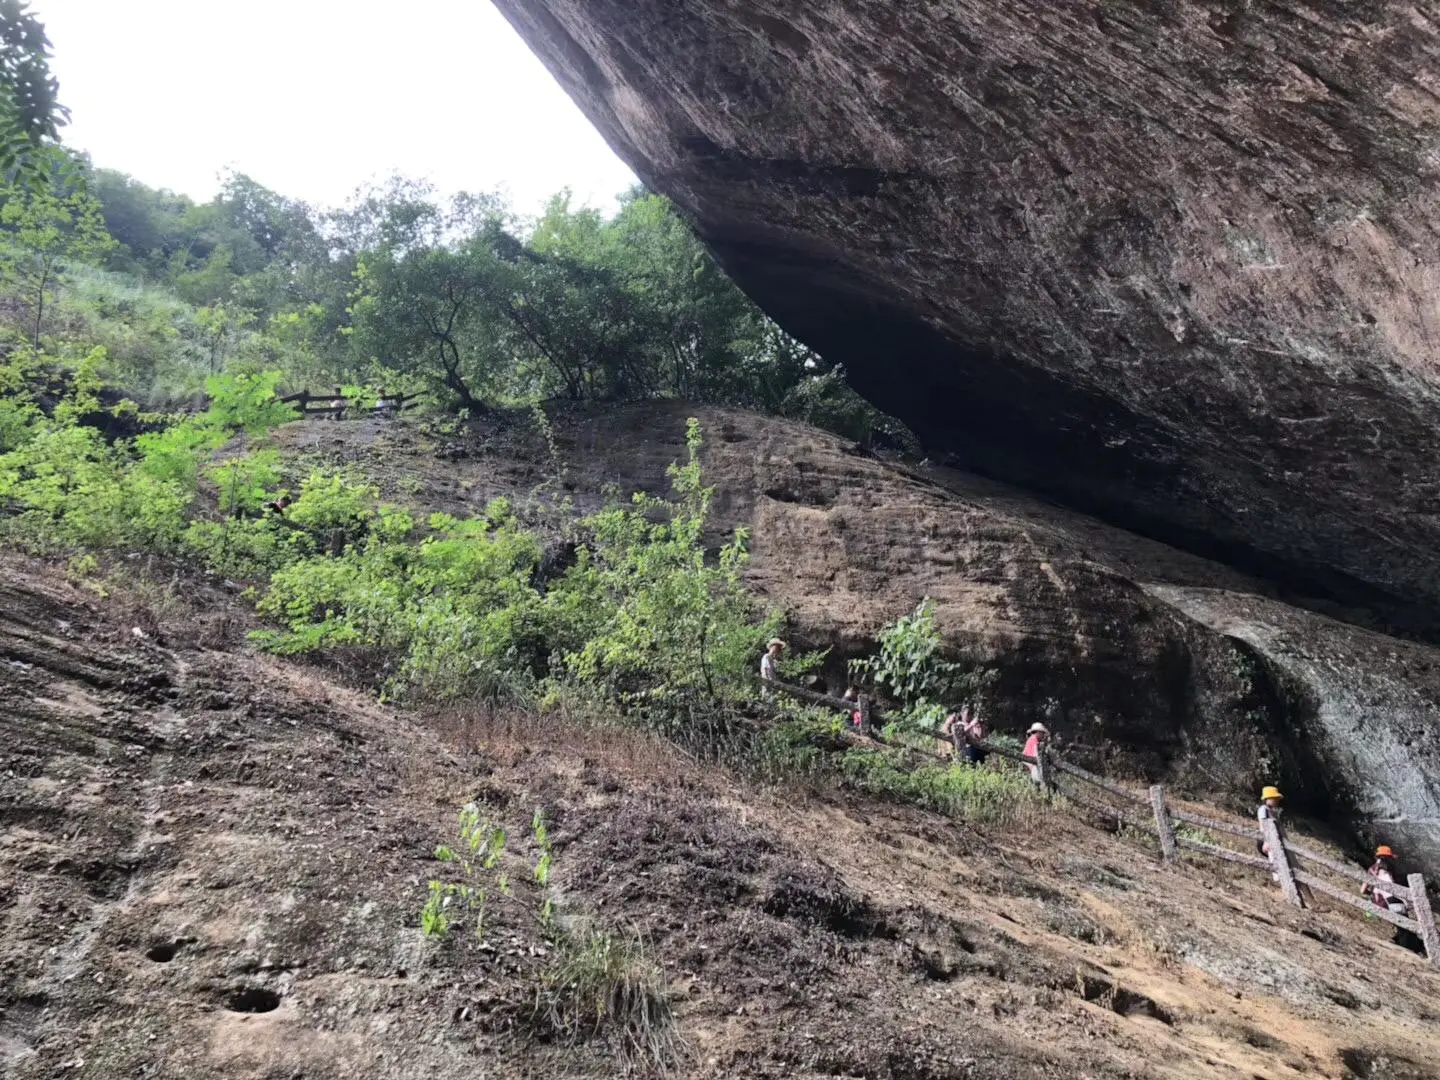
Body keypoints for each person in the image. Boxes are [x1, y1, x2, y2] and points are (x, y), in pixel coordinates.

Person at [1362, 845, 1407, 917]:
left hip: (1378, 903)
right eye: (1390, 858)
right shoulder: (1386, 871)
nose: (1392, 860)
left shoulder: (1371, 869)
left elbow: (1362, 890)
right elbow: (1392, 890)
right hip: (1390, 903)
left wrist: (1372, 893)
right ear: (1385, 858)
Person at [1256, 785, 1285, 860]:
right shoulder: (1263, 809)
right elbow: (1264, 825)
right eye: (1274, 798)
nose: (1277, 800)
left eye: (1277, 798)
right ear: (1267, 799)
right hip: (1267, 839)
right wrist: (1266, 841)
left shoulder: (1272, 811)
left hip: (1273, 839)